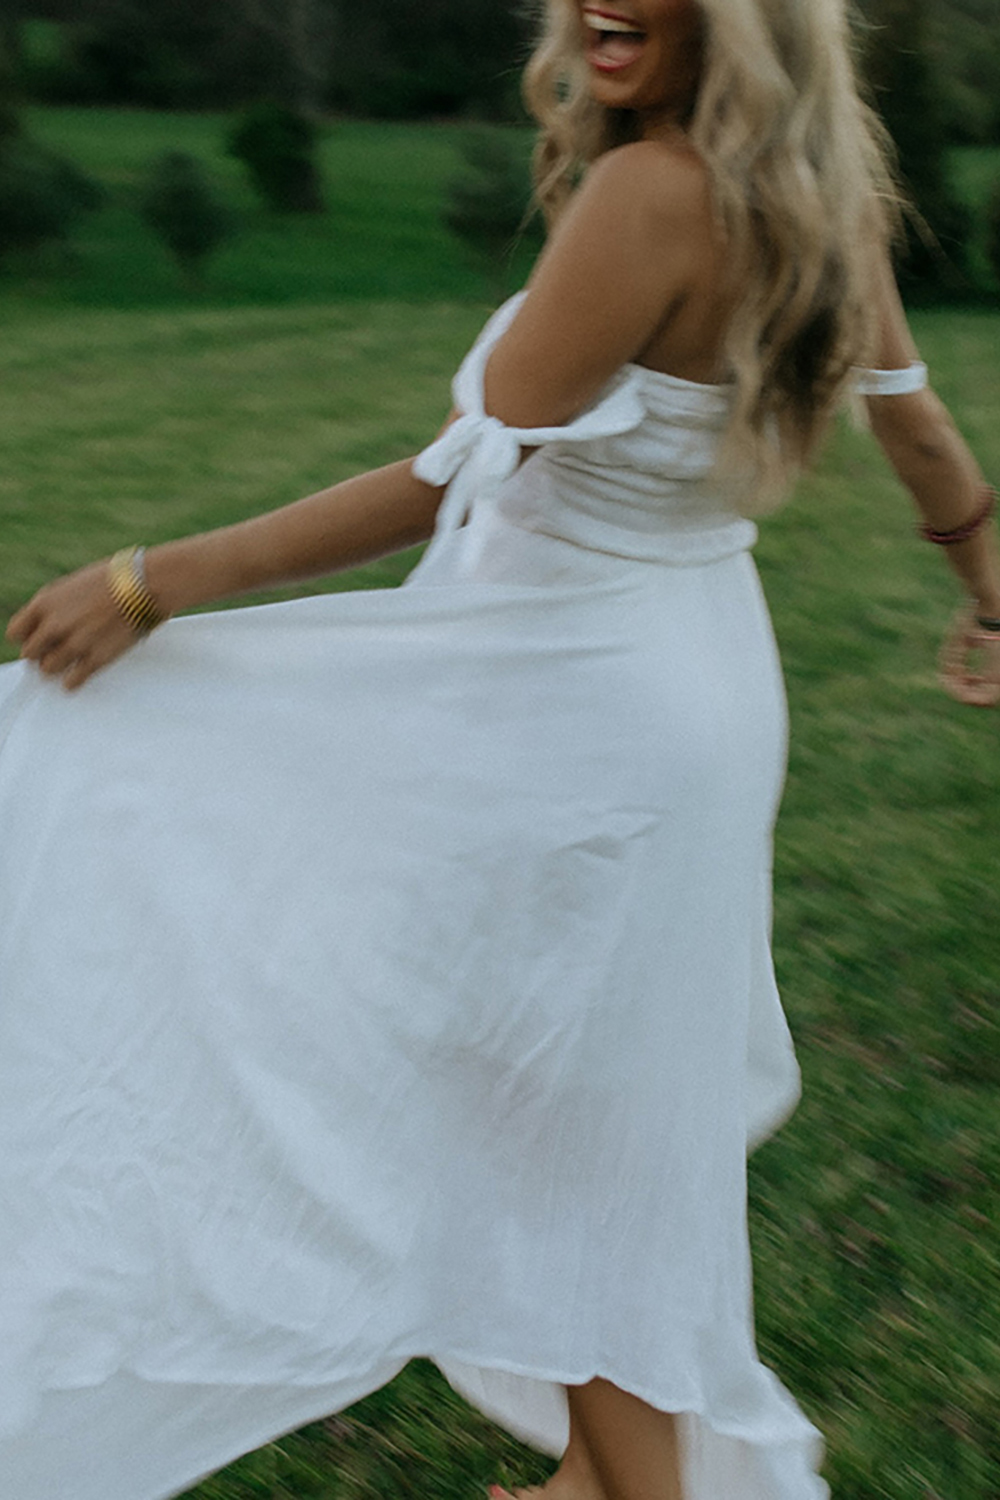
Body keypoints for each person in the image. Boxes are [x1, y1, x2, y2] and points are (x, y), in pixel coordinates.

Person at [1, 2, 998, 1498]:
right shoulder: (817, 204)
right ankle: (606, 1470)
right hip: (690, 678)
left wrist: (156, 581)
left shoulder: (653, 192)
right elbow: (914, 432)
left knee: (512, 1072)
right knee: (564, 1097)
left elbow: (445, 479)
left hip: (564, 699)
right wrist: (987, 584)